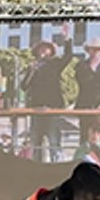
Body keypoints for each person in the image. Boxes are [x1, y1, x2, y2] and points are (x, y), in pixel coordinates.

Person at [22, 34, 73, 162]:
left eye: (47, 48)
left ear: (51, 51)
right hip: (36, 109)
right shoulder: (32, 66)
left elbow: (68, 57)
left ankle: (57, 169)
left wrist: (66, 39)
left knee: (54, 141)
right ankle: (36, 170)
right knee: (36, 143)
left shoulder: (55, 63)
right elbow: (23, 86)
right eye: (41, 48)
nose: (44, 51)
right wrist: (31, 71)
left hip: (52, 108)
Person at [73, 36, 100, 110]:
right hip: (84, 105)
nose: (95, 52)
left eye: (98, 50)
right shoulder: (81, 66)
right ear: (88, 50)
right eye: (93, 49)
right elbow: (81, 82)